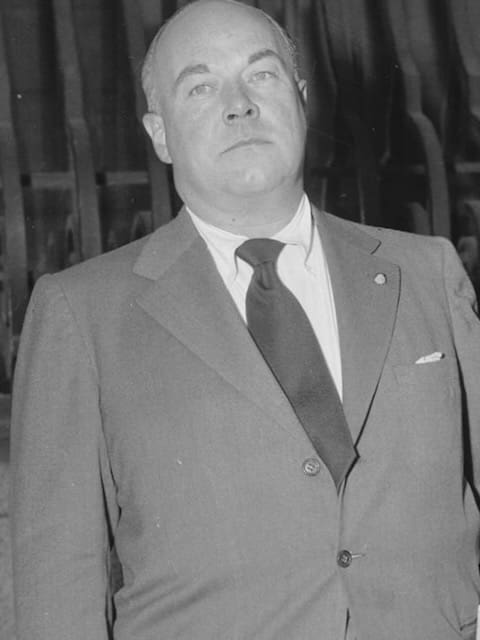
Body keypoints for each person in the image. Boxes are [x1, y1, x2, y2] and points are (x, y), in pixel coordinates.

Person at [9, 1, 480, 639]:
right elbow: (58, 581)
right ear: (160, 134)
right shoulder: (80, 313)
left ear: (302, 98)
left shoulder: (426, 272)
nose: (239, 104)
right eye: (201, 87)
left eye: (261, 76)